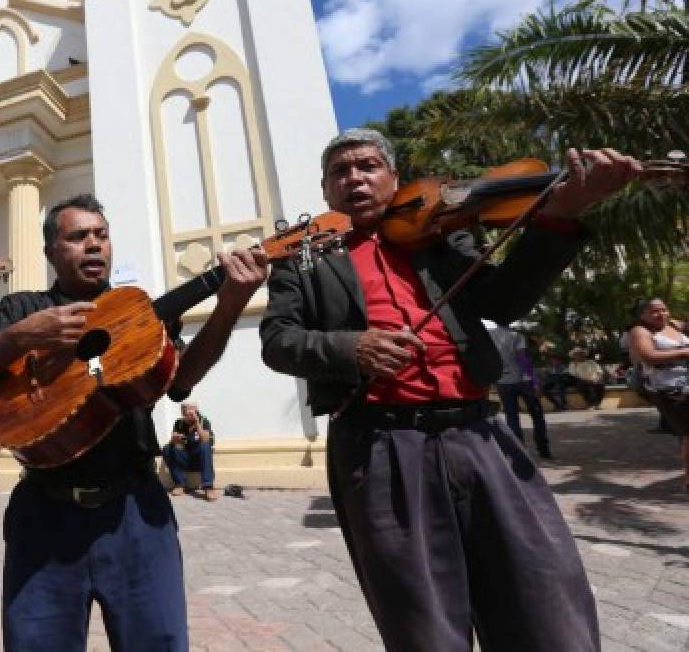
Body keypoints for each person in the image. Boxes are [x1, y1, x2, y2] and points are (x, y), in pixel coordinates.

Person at [260, 128, 639, 651]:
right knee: (424, 623)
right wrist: (353, 348)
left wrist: (562, 213)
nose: (355, 178)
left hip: (478, 434)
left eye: (368, 166)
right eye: (340, 172)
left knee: (546, 599)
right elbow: (278, 341)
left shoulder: (442, 234)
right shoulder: (303, 258)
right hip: (379, 445)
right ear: (327, 192)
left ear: (394, 178)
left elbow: (505, 301)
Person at [0, 193, 268, 651]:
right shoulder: (22, 308)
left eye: (101, 235)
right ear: (50, 253)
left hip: (135, 512)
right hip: (44, 512)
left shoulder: (139, 312)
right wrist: (23, 335)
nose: (94, 245)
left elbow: (180, 381)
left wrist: (230, 305)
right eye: (78, 236)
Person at [627, 298, 689, 491]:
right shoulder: (640, 331)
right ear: (643, 315)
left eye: (664, 309)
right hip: (667, 390)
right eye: (654, 311)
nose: (661, 314)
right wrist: (685, 352)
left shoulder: (673, 325)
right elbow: (649, 356)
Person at [486, 322, 551, 459]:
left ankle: (519, 451)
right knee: (537, 414)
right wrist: (535, 380)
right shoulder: (516, 335)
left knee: (512, 416)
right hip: (523, 380)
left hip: (503, 381)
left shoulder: (490, 336)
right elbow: (522, 358)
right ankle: (543, 448)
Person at [162, 402, 218, 499]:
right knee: (167, 448)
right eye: (185, 414)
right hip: (185, 459)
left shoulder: (203, 421)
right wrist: (174, 439)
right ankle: (179, 484)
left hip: (200, 460)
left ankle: (208, 486)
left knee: (205, 445)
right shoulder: (179, 423)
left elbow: (206, 440)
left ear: (196, 412)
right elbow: (173, 442)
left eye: (191, 413)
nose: (188, 416)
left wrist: (197, 423)